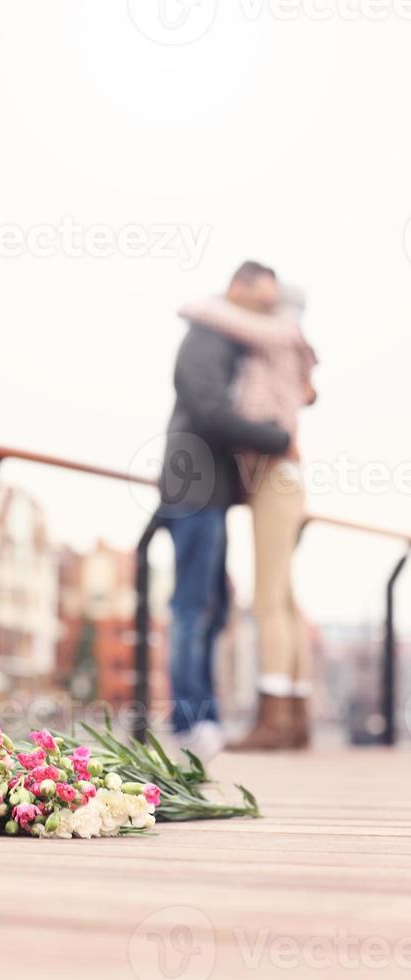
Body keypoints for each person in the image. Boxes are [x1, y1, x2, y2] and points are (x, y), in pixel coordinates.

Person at [159, 261, 291, 762]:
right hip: (193, 490)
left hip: (208, 492)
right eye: (261, 300)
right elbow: (211, 413)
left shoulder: (231, 342)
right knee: (192, 610)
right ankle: (189, 722)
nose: (266, 310)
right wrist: (277, 437)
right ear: (238, 288)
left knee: (210, 610)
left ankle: (203, 716)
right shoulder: (207, 338)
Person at [178, 284, 317, 750]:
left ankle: (274, 720)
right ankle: (295, 717)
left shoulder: (278, 331)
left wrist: (210, 301)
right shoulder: (284, 343)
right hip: (280, 479)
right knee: (286, 599)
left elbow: (201, 309)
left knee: (267, 601)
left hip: (273, 478)